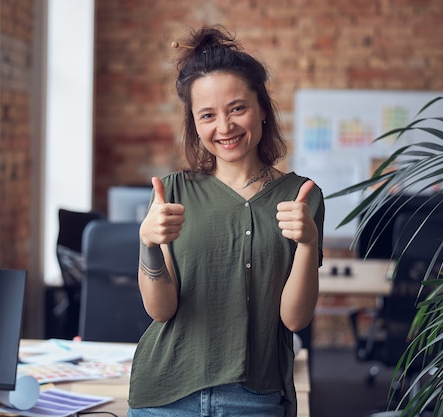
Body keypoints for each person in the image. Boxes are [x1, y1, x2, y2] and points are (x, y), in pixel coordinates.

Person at [128, 25, 325, 417]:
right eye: (208, 115)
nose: (225, 127)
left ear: (262, 108)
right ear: (195, 123)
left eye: (238, 108)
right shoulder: (172, 192)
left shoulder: (301, 196)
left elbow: (295, 319)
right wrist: (148, 244)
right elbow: (160, 310)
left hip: (253, 398)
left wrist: (307, 243)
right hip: (165, 395)